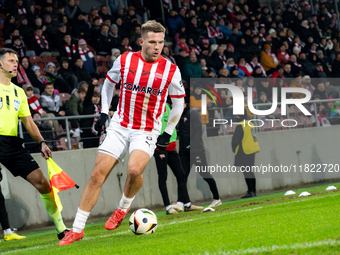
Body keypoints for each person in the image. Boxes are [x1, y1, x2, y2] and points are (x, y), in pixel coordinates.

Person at [59, 20, 185, 245]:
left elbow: (178, 103)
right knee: (98, 173)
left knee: (134, 170)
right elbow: (108, 84)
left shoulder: (170, 69)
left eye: (160, 42)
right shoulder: (125, 60)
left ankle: (122, 208)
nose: (157, 47)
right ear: (141, 41)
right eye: (152, 42)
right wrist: (105, 113)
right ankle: (77, 229)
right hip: (120, 125)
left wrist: (168, 131)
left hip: (147, 129)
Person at [0, 48, 69, 240]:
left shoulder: (19, 92)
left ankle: (62, 229)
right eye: (11, 61)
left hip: (11, 144)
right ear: (0, 64)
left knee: (42, 183)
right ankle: (7, 232)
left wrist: (42, 142)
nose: (16, 64)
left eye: (17, 61)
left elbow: (29, 122)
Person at [154, 103, 203, 214]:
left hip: (171, 146)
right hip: (160, 148)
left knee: (181, 174)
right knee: (163, 177)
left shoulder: (166, 105)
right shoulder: (155, 106)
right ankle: (168, 207)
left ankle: (187, 204)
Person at [178, 105, 221, 208]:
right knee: (182, 177)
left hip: (196, 151)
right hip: (184, 152)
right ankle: (180, 202)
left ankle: (217, 199)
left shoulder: (193, 113)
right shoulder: (179, 115)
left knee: (205, 174)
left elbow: (198, 131)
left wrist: (191, 145)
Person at [232, 113, 260, 199]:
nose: (236, 117)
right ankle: (253, 191)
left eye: (237, 115)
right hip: (252, 149)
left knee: (246, 171)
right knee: (250, 171)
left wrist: (234, 149)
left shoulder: (240, 125)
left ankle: (250, 192)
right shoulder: (250, 124)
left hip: (244, 150)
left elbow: (235, 140)